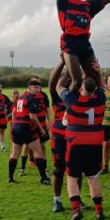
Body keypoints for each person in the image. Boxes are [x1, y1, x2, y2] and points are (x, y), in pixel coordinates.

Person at [56, 62, 106, 220]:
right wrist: (97, 73)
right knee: (93, 177)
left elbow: (58, 86)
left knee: (71, 177)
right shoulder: (100, 98)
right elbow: (101, 87)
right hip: (95, 144)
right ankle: (99, 211)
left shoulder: (72, 100)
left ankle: (76, 210)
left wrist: (68, 67)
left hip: (76, 144)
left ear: (81, 89)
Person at [48, 59, 86, 212]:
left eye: (72, 78)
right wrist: (63, 61)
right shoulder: (57, 95)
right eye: (66, 78)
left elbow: (89, 81)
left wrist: (87, 67)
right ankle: (57, 200)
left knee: (78, 169)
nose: (69, 80)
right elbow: (53, 81)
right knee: (58, 169)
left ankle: (77, 198)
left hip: (76, 136)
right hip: (59, 137)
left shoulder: (79, 96)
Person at [8, 78, 48, 183]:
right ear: (29, 87)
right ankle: (43, 178)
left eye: (39, 87)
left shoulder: (20, 98)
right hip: (25, 127)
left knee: (15, 152)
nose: (38, 89)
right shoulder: (32, 99)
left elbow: (14, 112)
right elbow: (32, 117)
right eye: (35, 87)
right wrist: (41, 129)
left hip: (16, 127)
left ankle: (10, 177)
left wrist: (13, 125)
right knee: (38, 151)